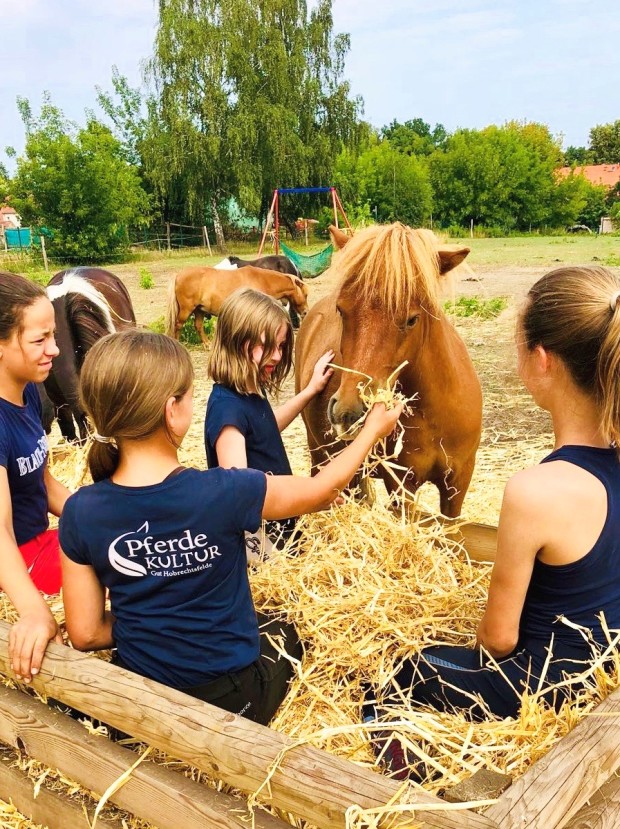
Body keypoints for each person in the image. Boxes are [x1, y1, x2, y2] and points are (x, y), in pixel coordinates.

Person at [60, 330, 401, 726]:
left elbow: (85, 634)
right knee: (284, 630)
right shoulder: (226, 491)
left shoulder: (80, 510)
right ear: (172, 410)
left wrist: (153, 623)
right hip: (231, 703)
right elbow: (323, 490)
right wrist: (372, 429)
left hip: (144, 707)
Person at [364, 265, 620, 778]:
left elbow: (498, 641)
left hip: (543, 691)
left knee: (392, 678)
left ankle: (415, 792)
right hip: (604, 671)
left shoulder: (535, 491)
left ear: (541, 360)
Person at [205, 288, 334, 552]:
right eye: (266, 345)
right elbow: (241, 492)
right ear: (236, 339)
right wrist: (310, 492)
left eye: (281, 346)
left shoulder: (248, 390)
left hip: (279, 528)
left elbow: (264, 429)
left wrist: (310, 391)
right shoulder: (226, 410)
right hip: (260, 543)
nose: (276, 355)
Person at [0, 270, 71, 683]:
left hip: (38, 545)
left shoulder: (28, 393)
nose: (55, 350)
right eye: (39, 340)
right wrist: (34, 611)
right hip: (16, 561)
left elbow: (44, 484)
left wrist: (100, 515)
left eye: (53, 336)